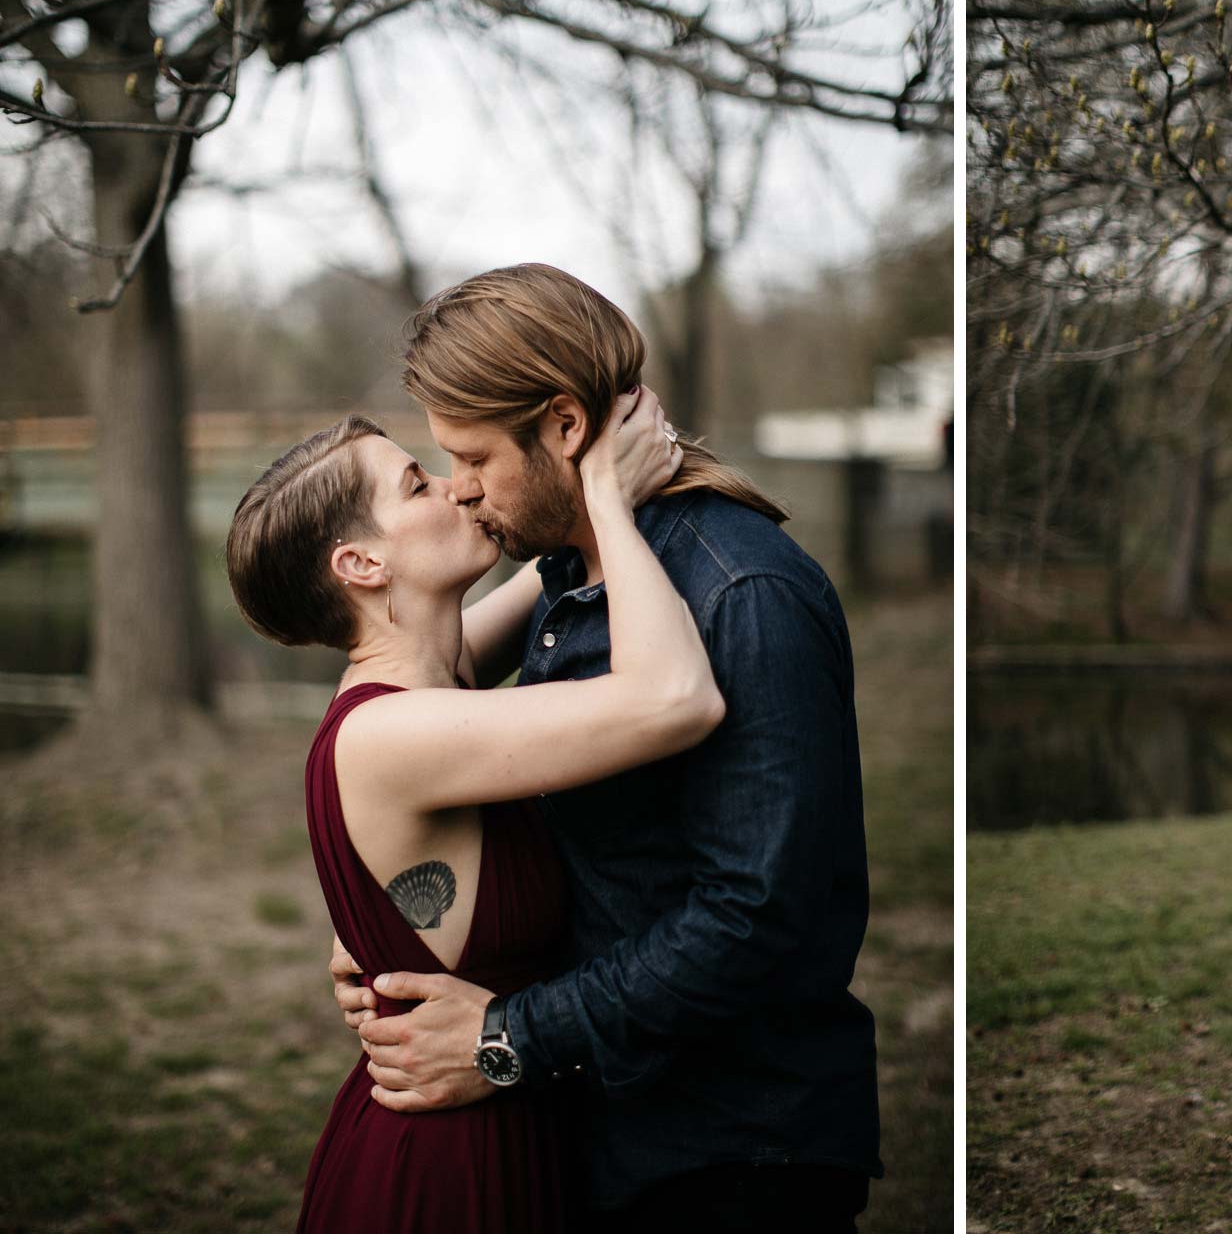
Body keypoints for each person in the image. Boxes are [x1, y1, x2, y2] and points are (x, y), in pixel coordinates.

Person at [327, 264, 882, 1233]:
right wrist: (394, 921)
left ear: (566, 428)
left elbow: (757, 915)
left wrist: (506, 1039)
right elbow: (443, 717)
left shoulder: (737, 594)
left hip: (726, 1154)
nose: (459, 492)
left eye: (471, 458)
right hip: (599, 1127)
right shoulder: (575, 576)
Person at [227, 386, 715, 1232]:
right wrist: (605, 500)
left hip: (507, 1118)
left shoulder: (434, 676)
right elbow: (673, 697)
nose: (455, 488)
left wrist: (583, 473)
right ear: (362, 565)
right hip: (447, 1168)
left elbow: (544, 570)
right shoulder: (395, 732)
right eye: (417, 484)